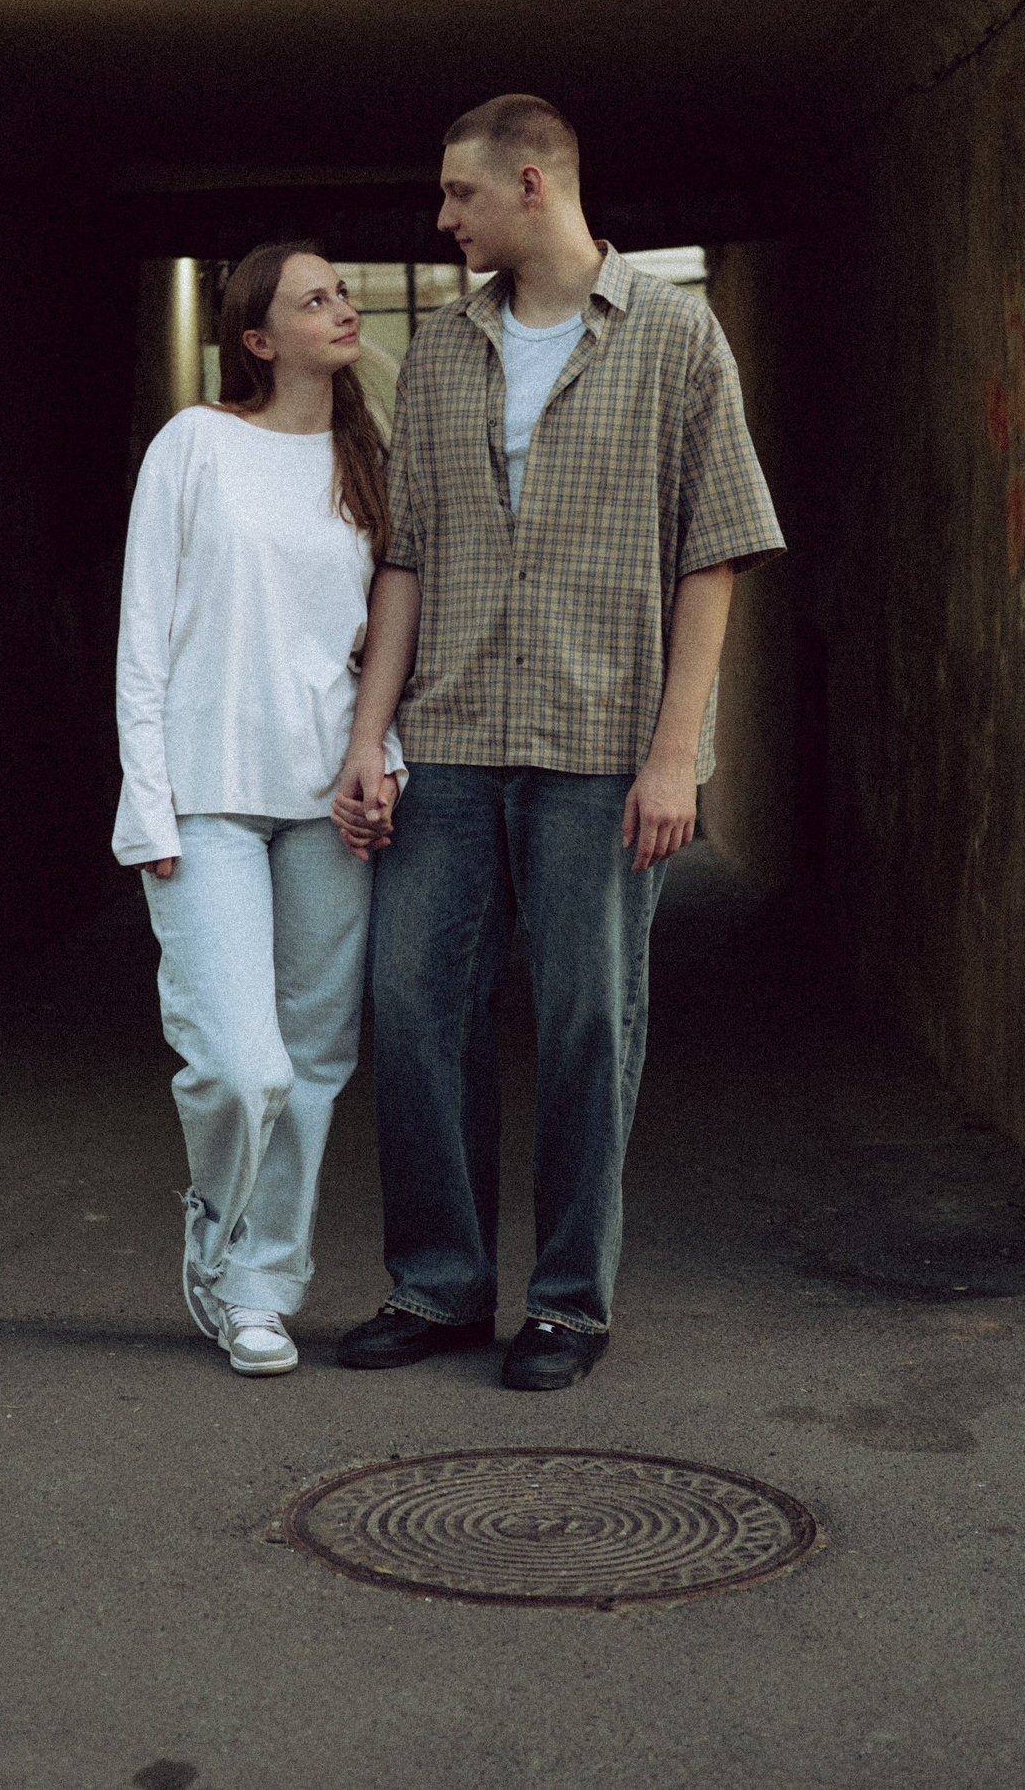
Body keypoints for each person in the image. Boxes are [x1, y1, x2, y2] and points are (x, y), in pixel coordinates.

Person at [331, 97, 784, 1391]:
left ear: (531, 184)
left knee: (590, 1019)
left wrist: (674, 753)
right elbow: (407, 556)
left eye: (458, 193)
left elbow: (715, 552)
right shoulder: (441, 351)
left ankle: (570, 1305)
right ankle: (439, 1283)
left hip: (602, 742)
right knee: (413, 1000)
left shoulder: (676, 335)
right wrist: (370, 735)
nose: (441, 216)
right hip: (453, 730)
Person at [113, 243, 402, 1376]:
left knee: (315, 1062)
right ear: (259, 339)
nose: (343, 307)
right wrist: (148, 803)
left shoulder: (367, 462)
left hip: (329, 803)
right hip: (208, 798)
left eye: (344, 292)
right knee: (243, 1065)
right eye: (314, 298)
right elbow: (143, 633)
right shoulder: (194, 444)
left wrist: (383, 761)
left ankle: (260, 1288)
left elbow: (382, 644)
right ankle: (217, 1222)